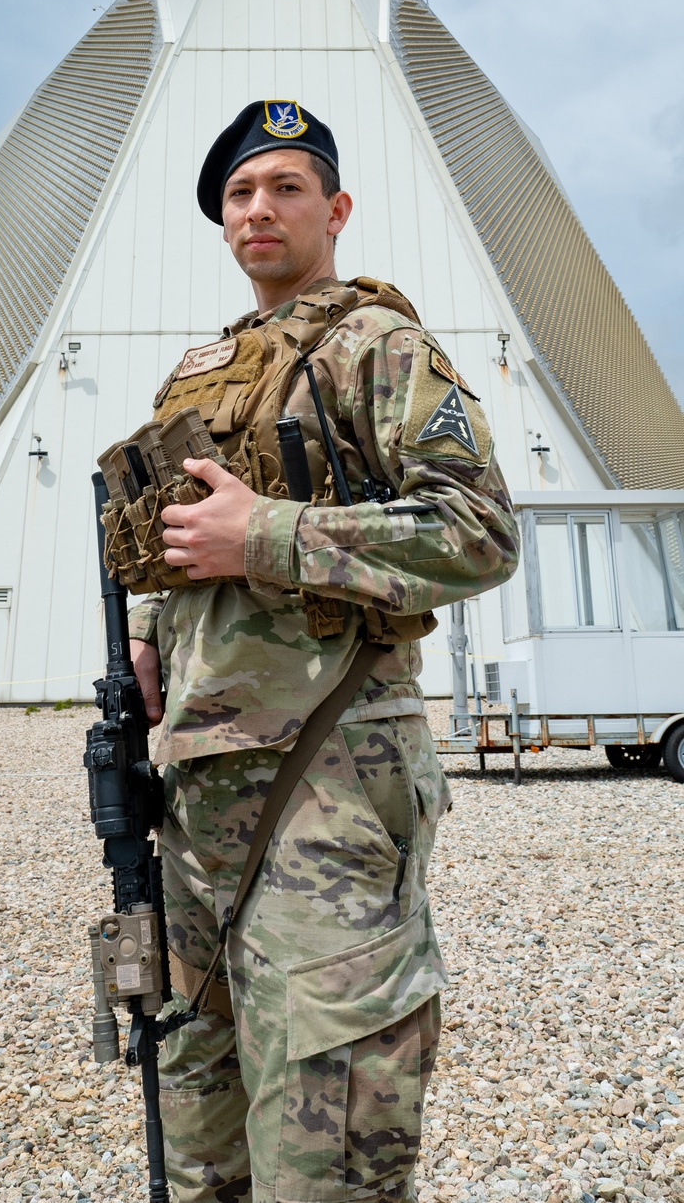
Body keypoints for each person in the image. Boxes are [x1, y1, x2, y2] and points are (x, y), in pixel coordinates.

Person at [121, 100, 519, 1203]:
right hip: (199, 785)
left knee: (329, 1138)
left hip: (329, 782)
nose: (259, 208)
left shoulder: (377, 346)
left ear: (333, 210)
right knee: (200, 1126)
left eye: (285, 187)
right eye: (240, 194)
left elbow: (477, 533)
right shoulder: (202, 374)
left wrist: (269, 534)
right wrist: (153, 638)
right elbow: (180, 556)